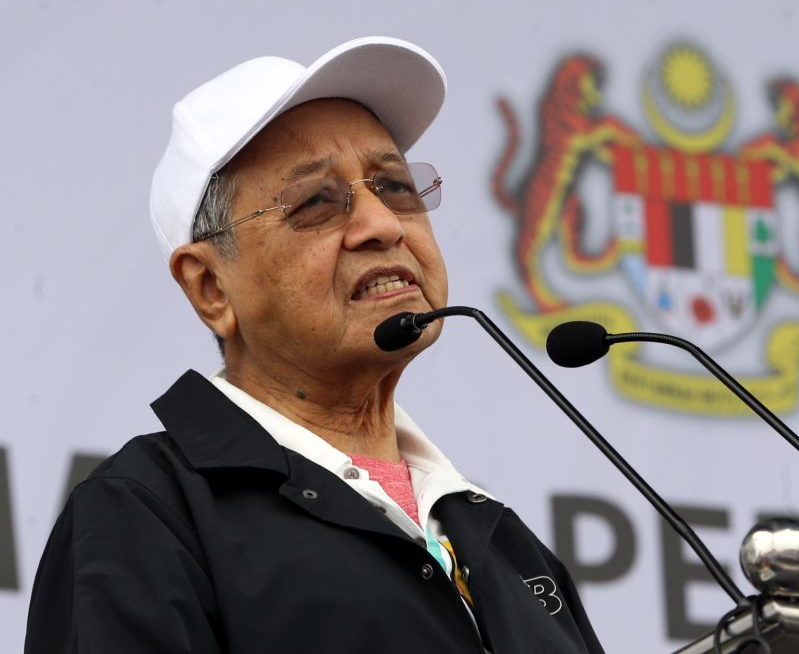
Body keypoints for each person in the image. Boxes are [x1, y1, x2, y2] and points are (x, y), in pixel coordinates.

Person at [25, 37, 604, 653]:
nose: (382, 225)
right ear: (211, 287)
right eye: (316, 202)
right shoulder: (146, 512)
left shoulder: (500, 539)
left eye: (395, 186)